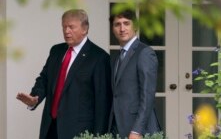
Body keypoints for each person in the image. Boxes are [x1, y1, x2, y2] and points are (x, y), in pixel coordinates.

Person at [16, 9, 112, 139]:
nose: (66, 31)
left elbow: (102, 104)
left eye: (71, 27)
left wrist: (99, 136)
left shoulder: (99, 57)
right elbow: (44, 79)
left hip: (79, 132)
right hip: (50, 128)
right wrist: (34, 98)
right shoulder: (56, 51)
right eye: (64, 27)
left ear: (85, 28)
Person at [108, 10, 161, 139]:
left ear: (135, 26)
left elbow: (147, 96)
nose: (122, 28)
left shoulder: (145, 53)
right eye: (117, 24)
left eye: (126, 23)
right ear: (113, 29)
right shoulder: (116, 56)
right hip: (118, 127)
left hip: (138, 130)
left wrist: (137, 130)